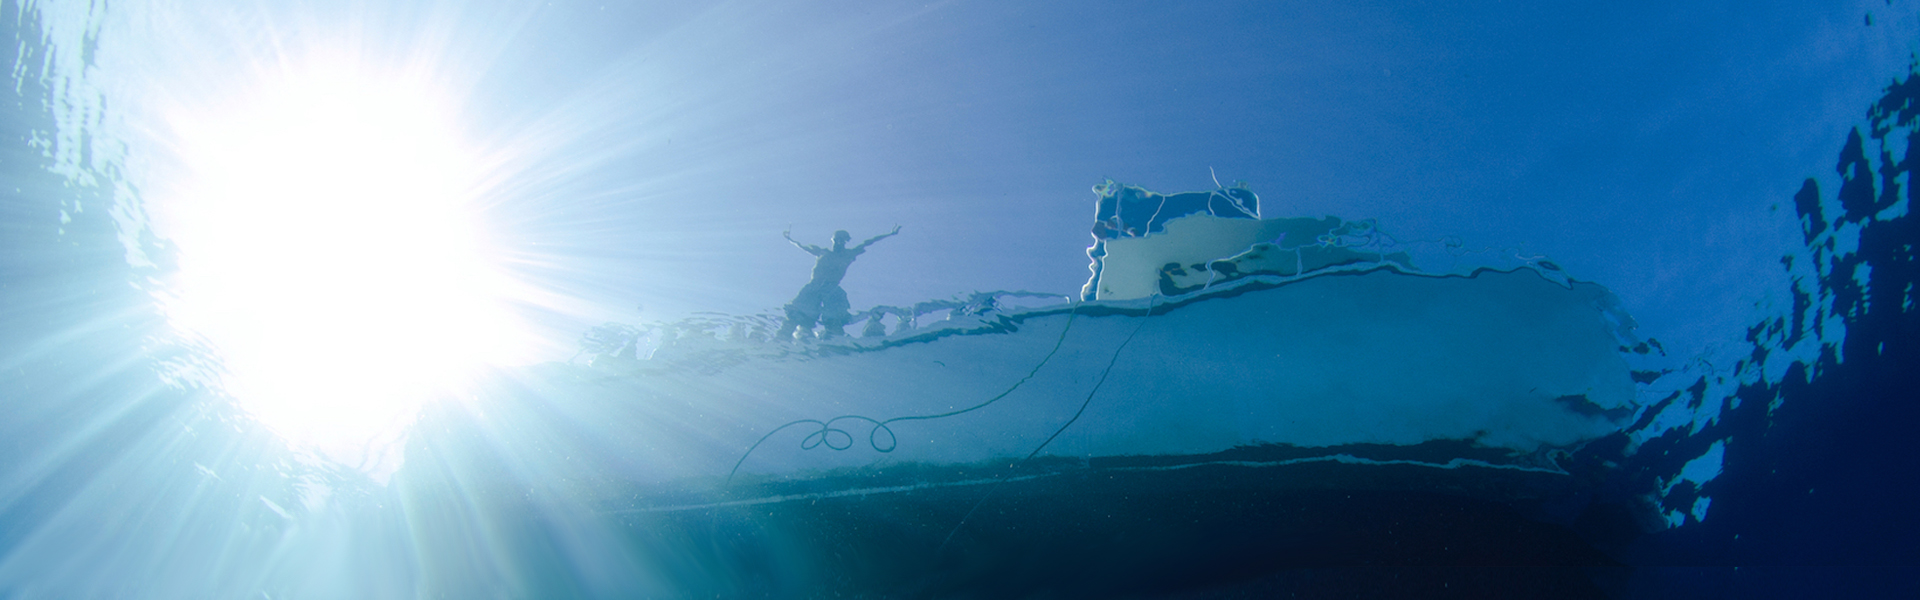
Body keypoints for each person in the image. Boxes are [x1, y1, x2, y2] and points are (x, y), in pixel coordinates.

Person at [777, 225, 900, 340]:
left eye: (842, 240)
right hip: (815, 286)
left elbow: (868, 242)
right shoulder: (824, 252)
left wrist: (890, 234)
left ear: (846, 241)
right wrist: (790, 239)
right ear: (833, 240)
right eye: (837, 240)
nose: (839, 243)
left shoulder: (847, 254)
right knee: (799, 313)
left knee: (834, 317)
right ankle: (786, 336)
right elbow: (804, 246)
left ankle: (834, 337)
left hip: (831, 288)